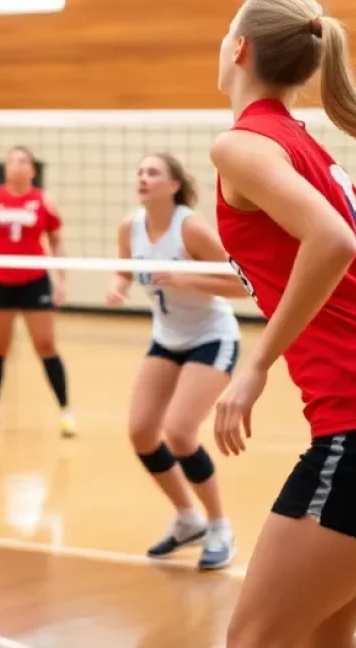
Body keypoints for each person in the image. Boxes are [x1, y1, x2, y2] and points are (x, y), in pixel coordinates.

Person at [209, 0, 356, 648]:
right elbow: (311, 265)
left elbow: (332, 244)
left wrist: (253, 365)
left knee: (254, 640)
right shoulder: (302, 145)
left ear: (240, 48)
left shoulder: (242, 145)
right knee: (327, 631)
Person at [105, 152, 245, 570]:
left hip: (211, 336)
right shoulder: (130, 227)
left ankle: (220, 525)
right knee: (142, 432)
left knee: (180, 433)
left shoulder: (191, 228)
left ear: (174, 185)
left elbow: (243, 281)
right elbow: (125, 270)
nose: (143, 177)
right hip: (167, 337)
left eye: (153, 172)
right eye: (140, 171)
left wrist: (188, 277)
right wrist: (117, 287)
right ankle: (188, 519)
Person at [0, 147, 74, 437]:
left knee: (46, 345)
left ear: (32, 170)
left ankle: (65, 411)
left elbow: (57, 241)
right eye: (11, 161)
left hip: (34, 280)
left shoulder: (44, 202)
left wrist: (62, 280)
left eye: (22, 161)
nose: (16, 165)